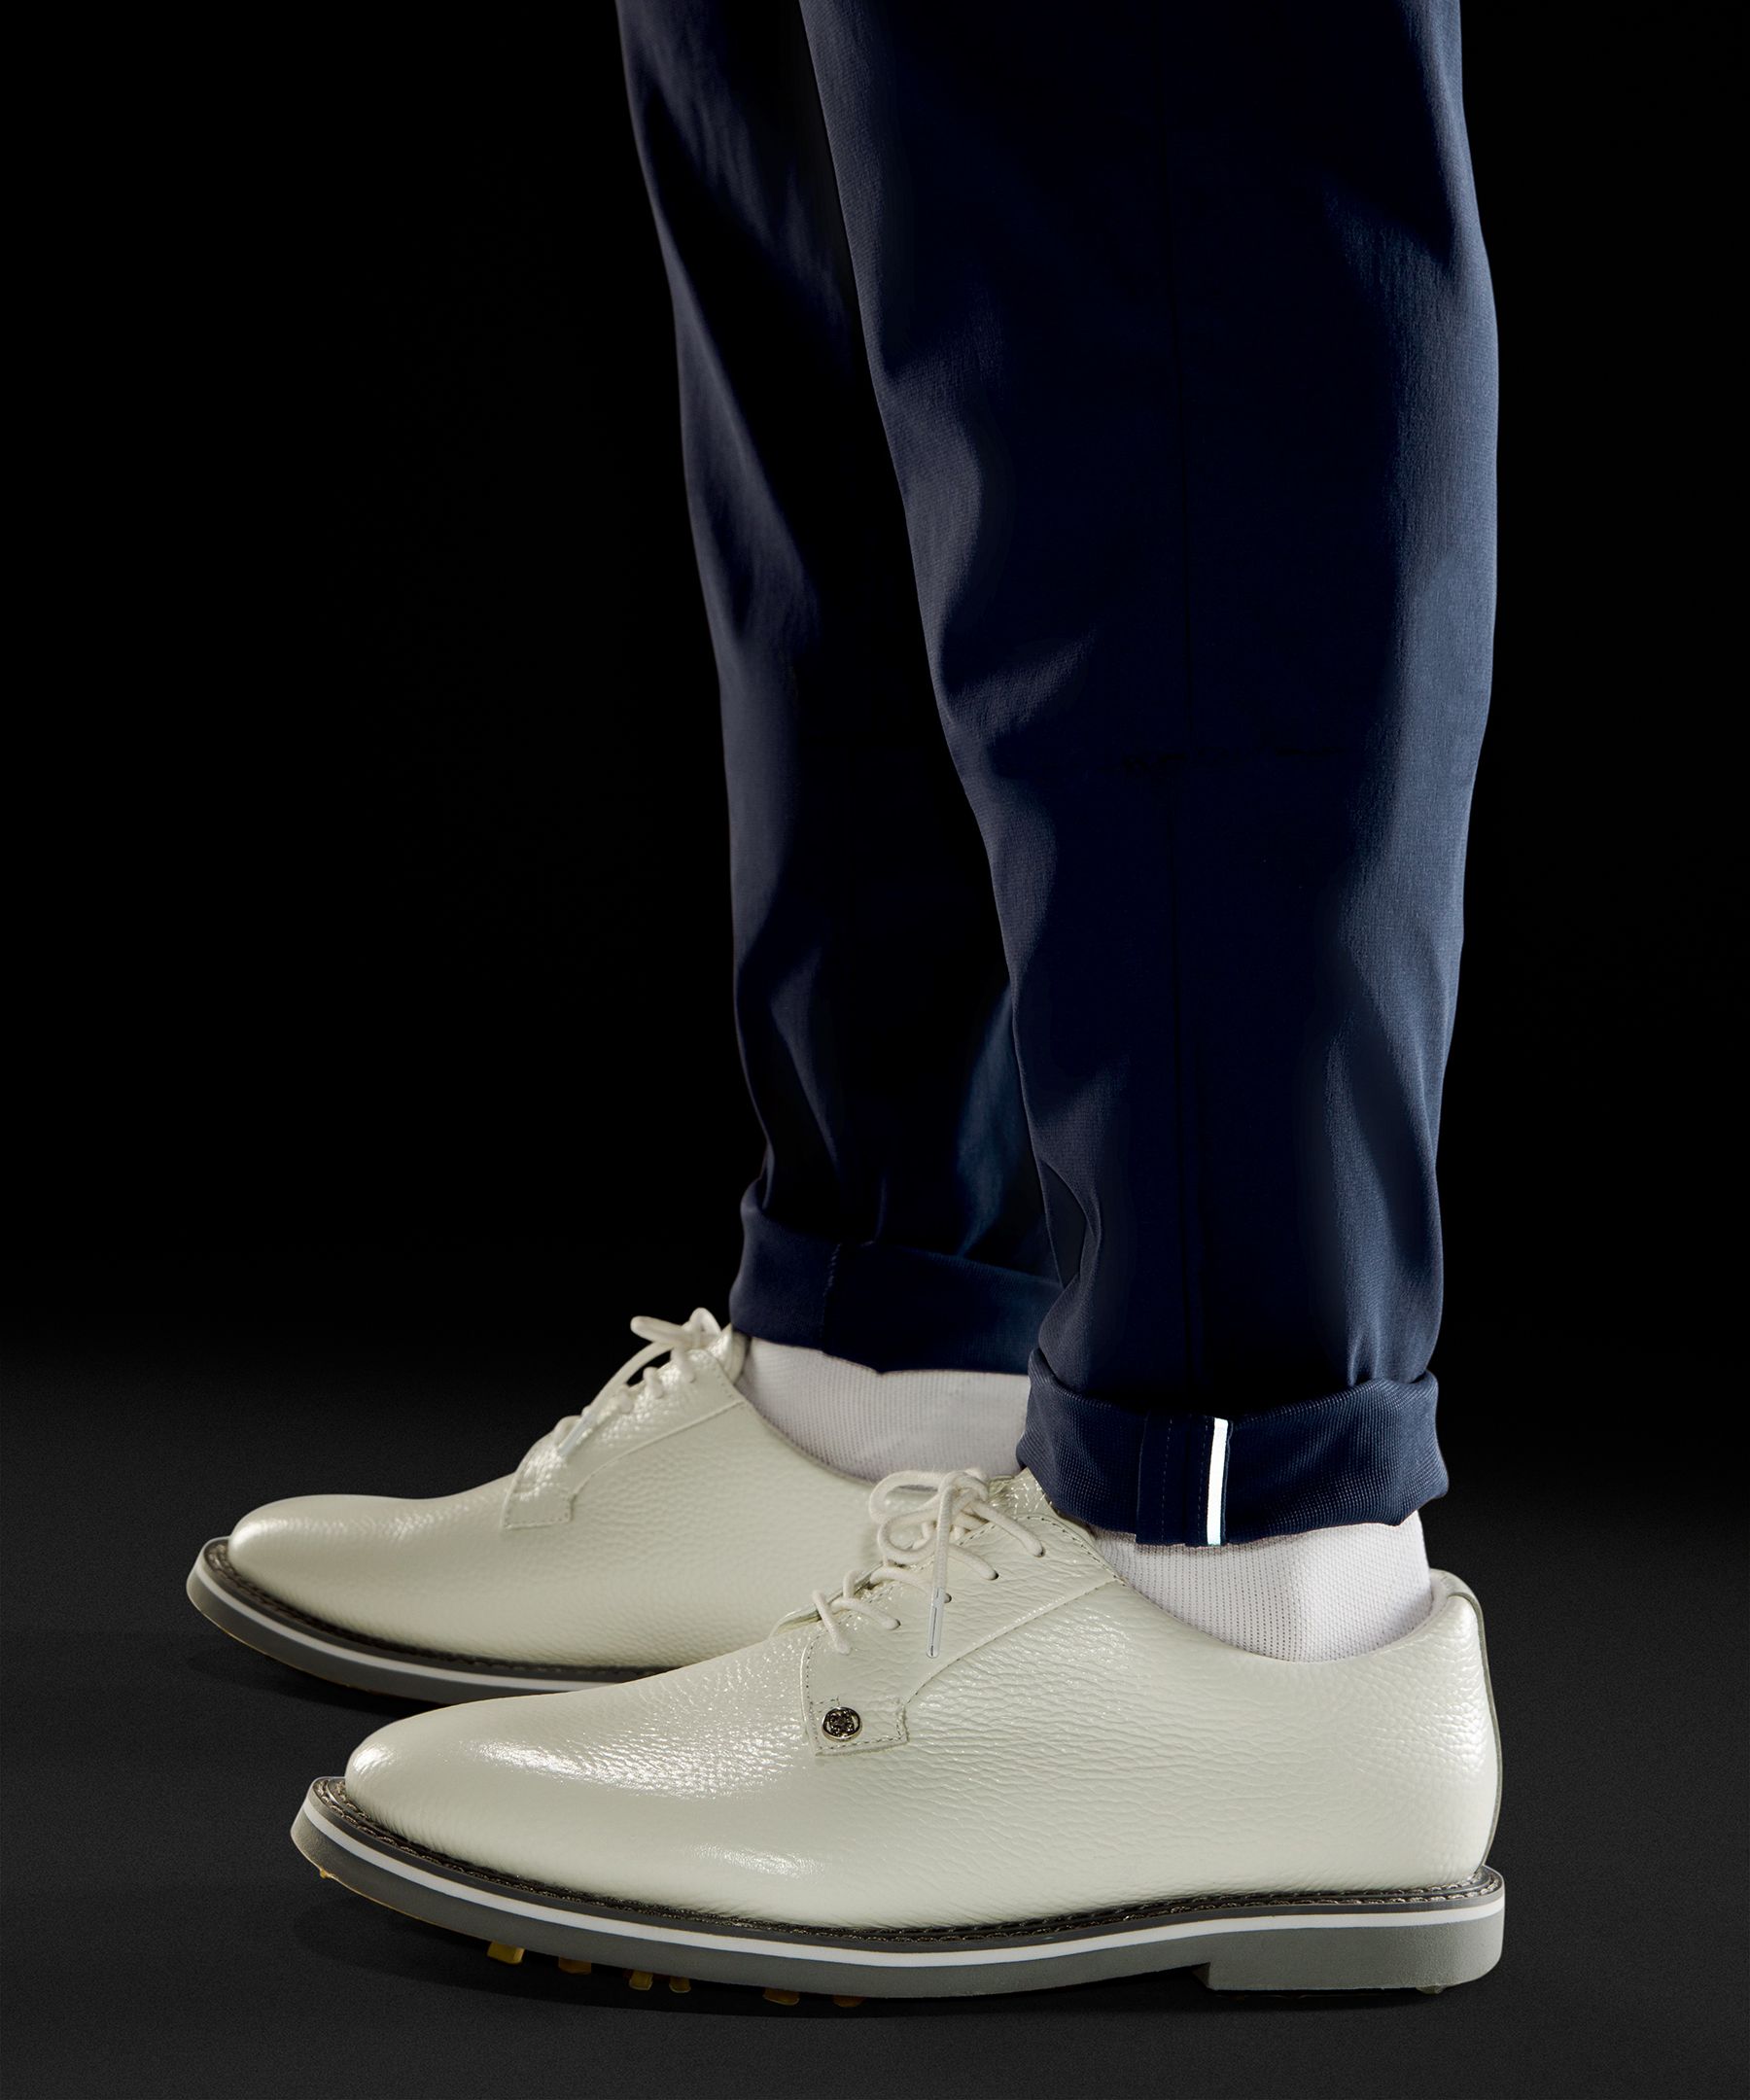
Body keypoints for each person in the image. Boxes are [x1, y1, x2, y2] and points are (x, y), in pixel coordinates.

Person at [189, 0, 1503, 1999]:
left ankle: (1254, 1566)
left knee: (1156, 123)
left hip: (1253, 1544)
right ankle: (887, 1360)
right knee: (828, 130)